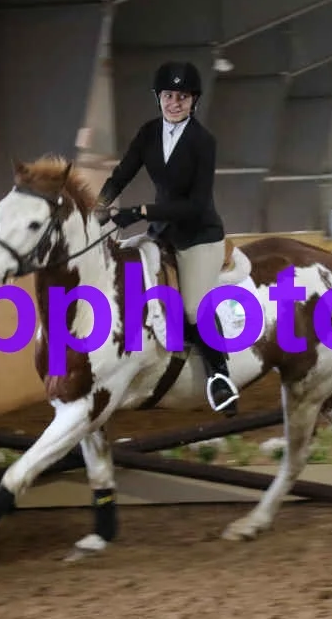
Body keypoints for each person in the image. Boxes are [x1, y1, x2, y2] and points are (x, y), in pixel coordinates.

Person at [97, 60, 240, 417]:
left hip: (198, 235)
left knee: (192, 308)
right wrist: (98, 205)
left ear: (193, 101)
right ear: (158, 98)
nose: (174, 103)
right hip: (162, 231)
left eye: (182, 97)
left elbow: (195, 205)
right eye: (168, 96)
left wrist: (140, 211)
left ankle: (219, 376)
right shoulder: (148, 133)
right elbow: (122, 174)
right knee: (126, 271)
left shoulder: (203, 141)